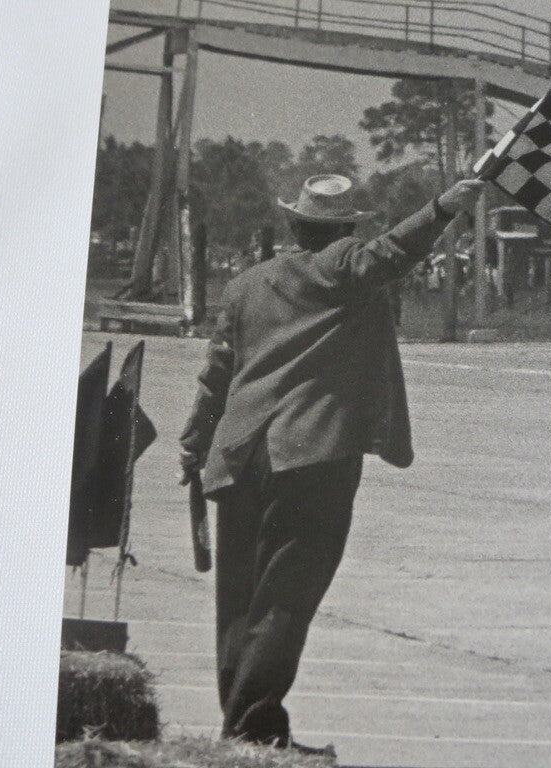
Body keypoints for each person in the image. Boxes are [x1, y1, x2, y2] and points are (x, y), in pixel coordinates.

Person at [179, 173, 484, 751]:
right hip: (312, 455)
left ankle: (242, 733)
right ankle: (251, 730)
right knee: (286, 600)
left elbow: (216, 373)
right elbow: (390, 253)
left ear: (294, 226)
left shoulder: (246, 285)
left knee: (239, 604)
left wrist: (192, 444)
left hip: (239, 455)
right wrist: (441, 209)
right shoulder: (342, 265)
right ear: (344, 230)